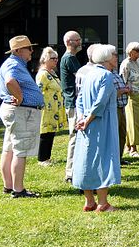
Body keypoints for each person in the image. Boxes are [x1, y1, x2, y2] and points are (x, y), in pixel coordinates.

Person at [73, 44, 122, 212]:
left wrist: (81, 118)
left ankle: (89, 201)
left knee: (86, 160)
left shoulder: (89, 74)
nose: (116, 57)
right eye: (114, 54)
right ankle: (103, 203)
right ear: (107, 58)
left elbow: (79, 100)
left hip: (86, 123)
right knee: (104, 158)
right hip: (102, 123)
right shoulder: (107, 76)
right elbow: (100, 102)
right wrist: (87, 119)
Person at [0, 35, 44, 198]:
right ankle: (18, 190)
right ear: (17, 51)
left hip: (15, 111)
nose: (32, 51)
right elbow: (10, 81)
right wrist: (20, 97)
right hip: (21, 111)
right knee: (20, 151)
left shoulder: (14, 63)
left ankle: (8, 186)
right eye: (28, 48)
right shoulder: (14, 64)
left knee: (9, 148)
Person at [35, 47, 67, 166]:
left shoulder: (52, 73)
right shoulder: (43, 74)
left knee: (51, 133)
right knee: (45, 133)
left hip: (54, 108)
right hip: (46, 109)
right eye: (53, 58)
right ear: (45, 59)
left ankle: (47, 157)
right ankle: (42, 159)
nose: (56, 60)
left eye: (56, 58)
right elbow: (39, 90)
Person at [60, 30, 82, 183]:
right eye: (77, 40)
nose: (80, 42)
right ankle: (70, 173)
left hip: (73, 102)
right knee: (74, 137)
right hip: (73, 103)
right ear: (69, 42)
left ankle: (75, 170)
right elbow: (82, 77)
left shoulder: (71, 58)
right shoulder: (69, 58)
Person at [120, 42, 139, 158]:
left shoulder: (135, 63)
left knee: (135, 121)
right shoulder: (126, 64)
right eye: (137, 50)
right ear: (130, 52)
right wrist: (128, 90)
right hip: (132, 96)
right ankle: (133, 148)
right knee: (133, 122)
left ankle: (128, 145)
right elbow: (123, 80)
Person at [111, 68, 130, 164]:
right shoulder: (106, 74)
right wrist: (123, 90)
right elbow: (110, 94)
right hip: (114, 108)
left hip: (122, 107)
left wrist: (126, 89)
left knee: (122, 133)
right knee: (115, 134)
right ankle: (113, 159)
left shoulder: (115, 73)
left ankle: (119, 158)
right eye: (114, 55)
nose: (116, 58)